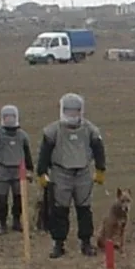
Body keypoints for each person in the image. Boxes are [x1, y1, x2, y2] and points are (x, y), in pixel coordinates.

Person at [35, 93, 107, 258]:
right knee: (60, 210)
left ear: (81, 111)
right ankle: (58, 244)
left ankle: (86, 243)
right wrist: (42, 172)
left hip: (82, 173)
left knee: (84, 209)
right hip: (61, 173)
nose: (72, 115)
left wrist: (100, 169)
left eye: (75, 111)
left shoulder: (90, 130)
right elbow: (44, 153)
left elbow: (98, 149)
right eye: (69, 111)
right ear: (62, 111)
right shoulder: (53, 131)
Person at [0, 104, 35, 234]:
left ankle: (17, 221)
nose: (9, 120)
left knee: (18, 197)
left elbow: (27, 153)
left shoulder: (22, 136)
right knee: (2, 198)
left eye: (11, 117)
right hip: (2, 170)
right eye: (7, 117)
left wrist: (30, 168)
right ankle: (2, 223)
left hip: (19, 170)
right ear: (3, 118)